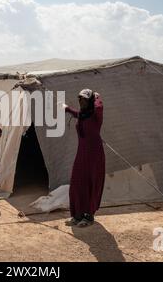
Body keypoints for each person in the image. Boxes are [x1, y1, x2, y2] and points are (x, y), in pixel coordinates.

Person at [64, 89, 105, 227]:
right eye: (80, 99)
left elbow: (99, 106)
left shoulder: (96, 115)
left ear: (91, 101)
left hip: (94, 155)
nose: (81, 101)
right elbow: (77, 114)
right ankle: (77, 214)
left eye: (85, 99)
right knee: (77, 182)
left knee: (91, 183)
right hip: (82, 153)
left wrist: (97, 97)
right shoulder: (83, 115)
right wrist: (67, 109)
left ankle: (89, 216)